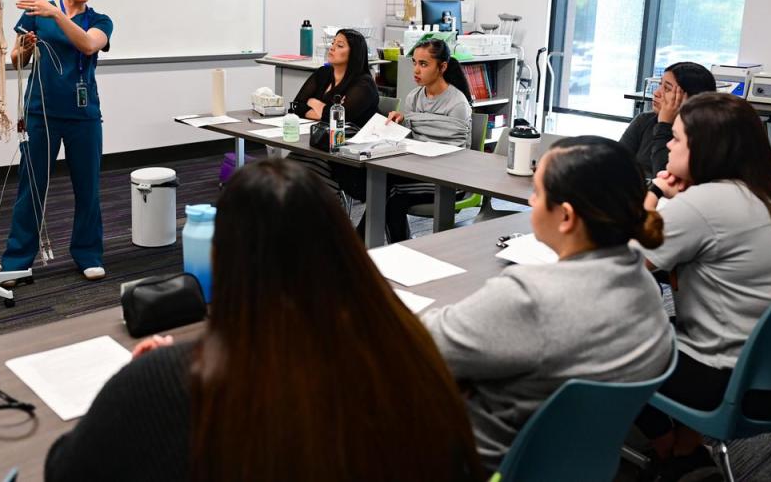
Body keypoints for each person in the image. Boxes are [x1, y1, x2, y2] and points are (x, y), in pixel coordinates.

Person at [45, 159, 484, 482]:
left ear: (224, 261)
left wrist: (141, 378)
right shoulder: (410, 352)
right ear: (342, 247)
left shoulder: (172, 384)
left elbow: (65, 470)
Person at [422, 136, 674, 472]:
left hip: (478, 463)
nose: (530, 200)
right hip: (579, 466)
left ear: (566, 217)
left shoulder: (529, 297)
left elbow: (420, 346)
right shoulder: (643, 283)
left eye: (538, 193)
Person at [635, 92, 771, 479]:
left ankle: (669, 454)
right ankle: (688, 450)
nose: (667, 142)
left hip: (729, 386)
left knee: (603, 339)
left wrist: (653, 193)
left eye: (677, 138)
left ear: (705, 148)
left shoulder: (703, 204)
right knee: (671, 327)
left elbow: (618, 263)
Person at [0, 0, 113, 281]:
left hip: (83, 115)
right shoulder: (36, 15)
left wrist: (55, 15)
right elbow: (16, 61)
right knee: (31, 187)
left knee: (87, 187)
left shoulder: (99, 20)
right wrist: (24, 48)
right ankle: (18, 259)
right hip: (40, 112)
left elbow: (88, 45)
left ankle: (88, 253)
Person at [361, 38, 473, 242]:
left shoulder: (457, 103)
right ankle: (384, 247)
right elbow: (413, 141)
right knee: (379, 184)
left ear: (442, 67)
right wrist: (399, 127)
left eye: (423, 64)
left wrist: (412, 122)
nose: (416, 70)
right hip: (418, 171)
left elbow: (455, 155)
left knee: (388, 191)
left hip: (448, 179)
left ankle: (371, 247)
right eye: (414, 62)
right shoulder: (413, 97)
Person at [288, 28, 379, 193]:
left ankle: (323, 215)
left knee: (300, 178)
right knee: (285, 170)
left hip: (344, 156)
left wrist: (314, 102)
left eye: (340, 45)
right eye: (332, 43)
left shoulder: (364, 84)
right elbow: (297, 106)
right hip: (317, 144)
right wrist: (322, 111)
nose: (332, 48)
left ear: (354, 53)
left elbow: (338, 118)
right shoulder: (324, 73)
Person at [619, 61, 716, 178]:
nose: (656, 93)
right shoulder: (644, 120)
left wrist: (664, 124)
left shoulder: (702, 136)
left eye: (667, 89)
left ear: (690, 98)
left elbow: (666, 179)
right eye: (660, 85)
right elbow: (616, 162)